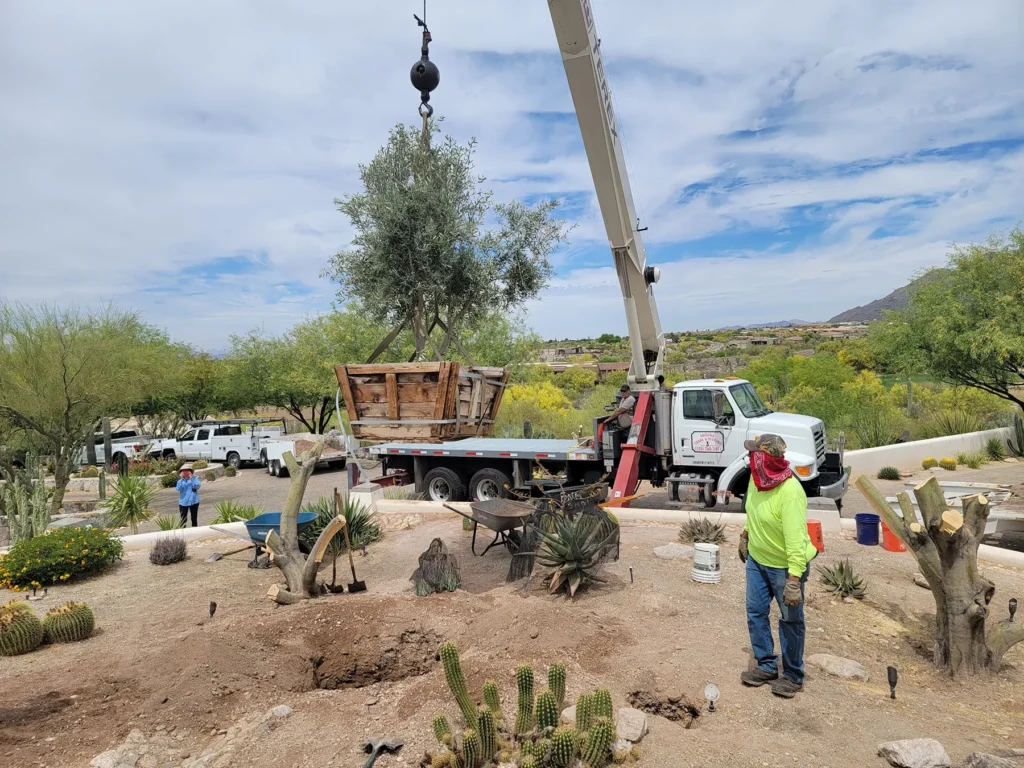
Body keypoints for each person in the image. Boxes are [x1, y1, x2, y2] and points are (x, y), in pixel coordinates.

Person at [738, 433, 818, 698]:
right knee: (756, 612)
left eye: (754, 454)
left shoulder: (790, 492)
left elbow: (796, 541)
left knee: (790, 620)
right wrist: (746, 535)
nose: (750, 459)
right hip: (758, 560)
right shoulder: (756, 480)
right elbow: (754, 511)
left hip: (785, 567)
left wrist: (794, 579)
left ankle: (793, 675)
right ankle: (767, 666)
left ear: (765, 458)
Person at [176, 463, 202, 528]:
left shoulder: (195, 479)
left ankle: (194, 531)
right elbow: (178, 489)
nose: (186, 472)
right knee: (183, 519)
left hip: (194, 501)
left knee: (194, 518)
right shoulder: (180, 481)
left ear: (190, 471)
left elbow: (198, 486)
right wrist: (181, 479)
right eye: (184, 471)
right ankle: (182, 532)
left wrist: (190, 479)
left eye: (187, 471)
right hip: (183, 502)